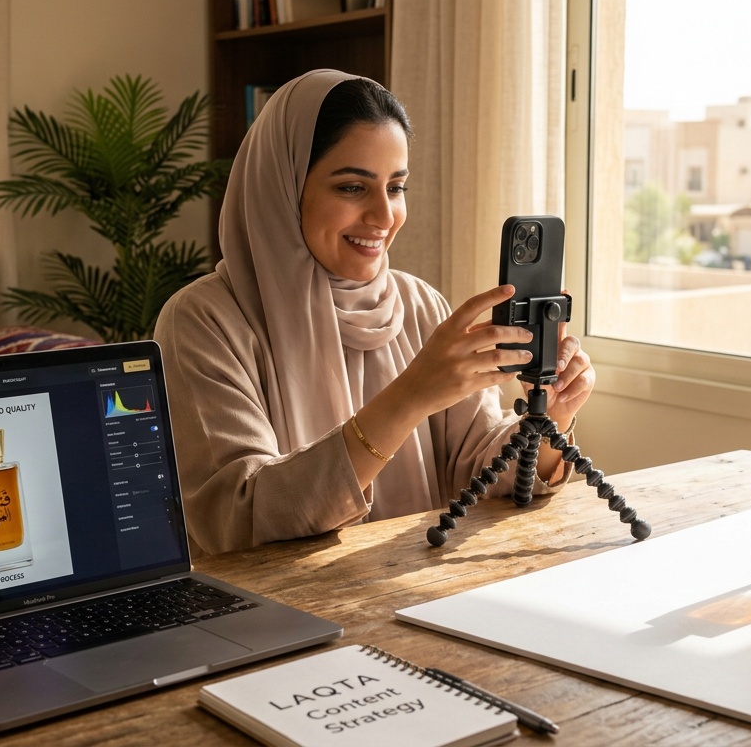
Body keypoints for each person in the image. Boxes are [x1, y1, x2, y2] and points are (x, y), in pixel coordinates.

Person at [153, 69, 594, 555]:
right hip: (281, 616)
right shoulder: (201, 322)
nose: (384, 217)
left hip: (416, 594)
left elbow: (477, 471)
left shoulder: (421, 305)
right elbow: (238, 518)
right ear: (283, 188)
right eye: (351, 187)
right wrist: (409, 397)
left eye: (396, 187)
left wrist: (550, 418)